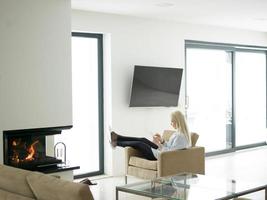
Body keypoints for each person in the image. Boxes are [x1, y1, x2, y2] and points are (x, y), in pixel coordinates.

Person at [110, 110, 191, 160]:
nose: (171, 124)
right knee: (143, 139)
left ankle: (116, 142)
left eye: (172, 121)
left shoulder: (181, 137)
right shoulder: (178, 133)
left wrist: (158, 144)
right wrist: (162, 141)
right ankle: (117, 137)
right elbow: (170, 146)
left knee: (139, 144)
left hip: (160, 156)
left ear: (178, 121)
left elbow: (170, 153)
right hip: (161, 151)